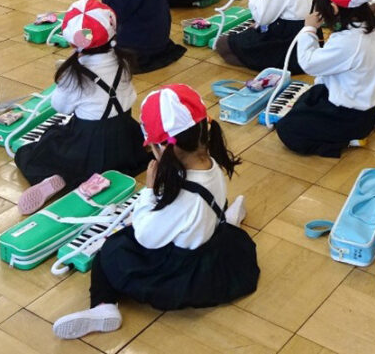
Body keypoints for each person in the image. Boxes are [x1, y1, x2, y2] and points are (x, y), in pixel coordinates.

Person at [52, 84, 259, 340]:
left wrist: (149, 192)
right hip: (214, 247)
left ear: (164, 148)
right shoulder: (211, 163)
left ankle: (104, 306)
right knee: (210, 220)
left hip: (186, 272)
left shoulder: (184, 198)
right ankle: (227, 221)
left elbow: (146, 236)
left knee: (113, 248)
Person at [14, 0, 151, 215]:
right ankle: (98, 177)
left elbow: (60, 107)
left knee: (34, 151)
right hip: (127, 137)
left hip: (89, 142)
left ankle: (58, 178)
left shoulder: (74, 74)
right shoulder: (124, 61)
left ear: (72, 41)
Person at [275, 0, 375, 157]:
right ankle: (356, 128)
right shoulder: (361, 25)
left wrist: (309, 29)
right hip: (359, 107)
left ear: (333, 8)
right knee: (308, 98)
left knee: (288, 130)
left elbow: (308, 63)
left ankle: (347, 139)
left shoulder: (349, 40)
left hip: (351, 117)